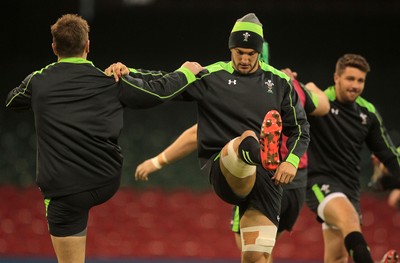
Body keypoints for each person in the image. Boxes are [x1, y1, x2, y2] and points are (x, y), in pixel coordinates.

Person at [108, 13, 310, 263]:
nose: (244, 59)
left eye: (250, 53)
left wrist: (290, 160)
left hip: (265, 182)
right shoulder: (211, 76)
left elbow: (300, 128)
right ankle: (258, 152)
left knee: (257, 256)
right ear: (230, 49)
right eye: (239, 52)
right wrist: (129, 72)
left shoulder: (280, 83)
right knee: (245, 140)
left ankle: (262, 156)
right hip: (225, 168)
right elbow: (162, 80)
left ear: (259, 52)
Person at [5, 14, 203, 263]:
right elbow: (158, 91)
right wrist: (185, 72)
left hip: (63, 191)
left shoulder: (38, 81)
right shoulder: (112, 81)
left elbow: (13, 100)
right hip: (104, 181)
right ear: (88, 45)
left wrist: (41, 87)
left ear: (54, 47)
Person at [135, 69, 330, 263]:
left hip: (258, 175)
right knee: (261, 250)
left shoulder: (244, 93)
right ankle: (258, 154)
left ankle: (256, 154)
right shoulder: (293, 87)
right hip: (294, 182)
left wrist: (157, 161)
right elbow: (324, 106)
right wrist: (309, 87)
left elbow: (194, 134)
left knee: (250, 249)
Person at [305, 53, 400, 263]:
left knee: (338, 258)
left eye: (360, 80)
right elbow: (291, 99)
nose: (355, 85)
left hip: (350, 189)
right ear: (336, 78)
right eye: (350, 79)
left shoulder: (368, 113)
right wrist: (290, 82)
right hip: (320, 183)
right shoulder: (318, 101)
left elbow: (388, 155)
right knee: (349, 220)